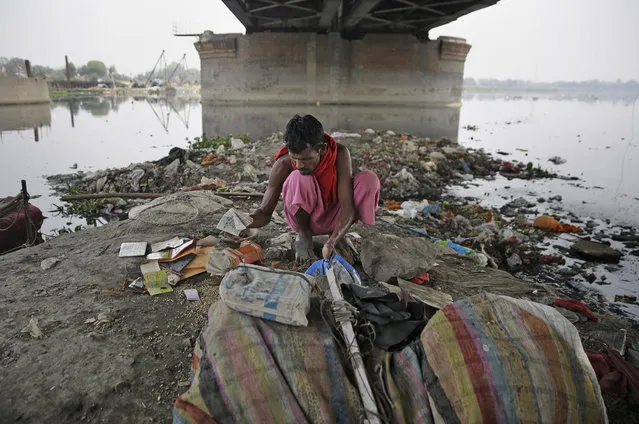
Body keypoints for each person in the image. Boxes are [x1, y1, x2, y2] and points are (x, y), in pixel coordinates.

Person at [248, 114, 380, 263]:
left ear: (322, 149)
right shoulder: (283, 164)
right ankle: (304, 234)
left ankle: (335, 235)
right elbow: (265, 213)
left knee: (369, 179)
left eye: (306, 159)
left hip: (334, 218)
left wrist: (332, 241)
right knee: (299, 176)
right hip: (303, 221)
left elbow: (347, 207)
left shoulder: (340, 154)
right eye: (294, 158)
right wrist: (242, 223)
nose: (298, 165)